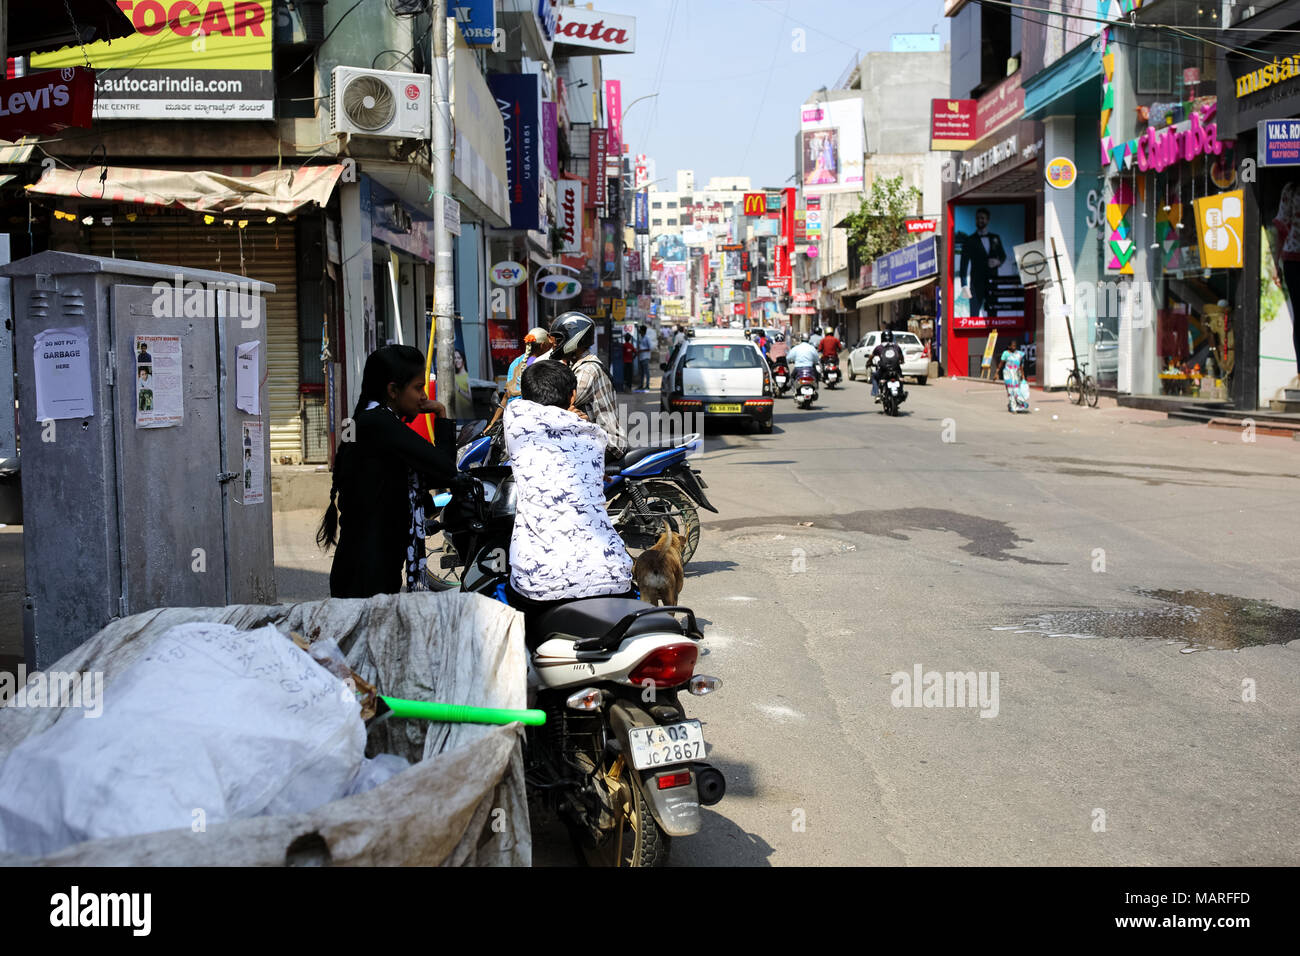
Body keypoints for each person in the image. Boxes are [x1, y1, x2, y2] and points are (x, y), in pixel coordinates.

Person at [502, 360, 636, 629]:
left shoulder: (516, 419)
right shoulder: (593, 436)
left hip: (540, 584)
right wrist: (573, 415)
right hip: (612, 576)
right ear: (573, 396)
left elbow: (516, 402)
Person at [317, 344, 458, 598]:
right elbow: (445, 469)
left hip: (368, 565)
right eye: (418, 388)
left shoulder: (367, 419)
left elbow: (433, 473)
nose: (423, 396)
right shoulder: (379, 423)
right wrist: (440, 413)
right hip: (367, 574)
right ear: (393, 390)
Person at [550, 311, 627, 461]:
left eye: (559, 339)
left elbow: (561, 399)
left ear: (574, 338)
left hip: (608, 443)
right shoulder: (577, 365)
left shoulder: (588, 369)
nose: (555, 345)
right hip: (590, 438)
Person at [489, 327, 552, 428]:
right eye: (550, 345)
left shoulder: (515, 362)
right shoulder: (543, 365)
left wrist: (491, 424)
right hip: (533, 420)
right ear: (543, 345)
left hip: (511, 418)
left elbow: (507, 396)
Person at [958, 208, 1007, 319]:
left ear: (987, 220)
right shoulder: (970, 240)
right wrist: (964, 285)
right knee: (974, 314)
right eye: (978, 218)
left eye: (982, 218)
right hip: (976, 283)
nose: (980, 220)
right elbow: (963, 264)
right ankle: (973, 335)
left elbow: (1003, 255)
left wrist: (997, 262)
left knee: (993, 313)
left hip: (993, 281)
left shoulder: (995, 238)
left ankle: (994, 335)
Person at [870, 329, 904, 402]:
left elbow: (871, 356)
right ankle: (901, 392)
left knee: (874, 376)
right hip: (896, 369)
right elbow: (901, 357)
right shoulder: (896, 347)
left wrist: (869, 362)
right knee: (901, 378)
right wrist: (902, 361)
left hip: (884, 370)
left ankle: (876, 394)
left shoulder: (879, 347)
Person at [997, 338, 1030, 412]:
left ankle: (1015, 404)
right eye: (1012, 346)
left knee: (1016, 390)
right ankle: (1013, 407)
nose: (1014, 347)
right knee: (1010, 390)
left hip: (1016, 375)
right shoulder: (1005, 353)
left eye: (1015, 346)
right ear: (1009, 346)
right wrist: (996, 372)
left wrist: (1023, 376)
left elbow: (1021, 366)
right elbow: (1001, 363)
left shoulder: (1019, 354)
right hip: (1008, 375)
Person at [636, 324, 654, 390]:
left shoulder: (647, 338)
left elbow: (650, 348)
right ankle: (641, 385)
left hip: (645, 357)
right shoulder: (641, 338)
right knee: (641, 373)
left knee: (646, 372)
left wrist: (641, 350)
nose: (639, 331)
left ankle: (647, 385)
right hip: (641, 357)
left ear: (643, 331)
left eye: (640, 330)